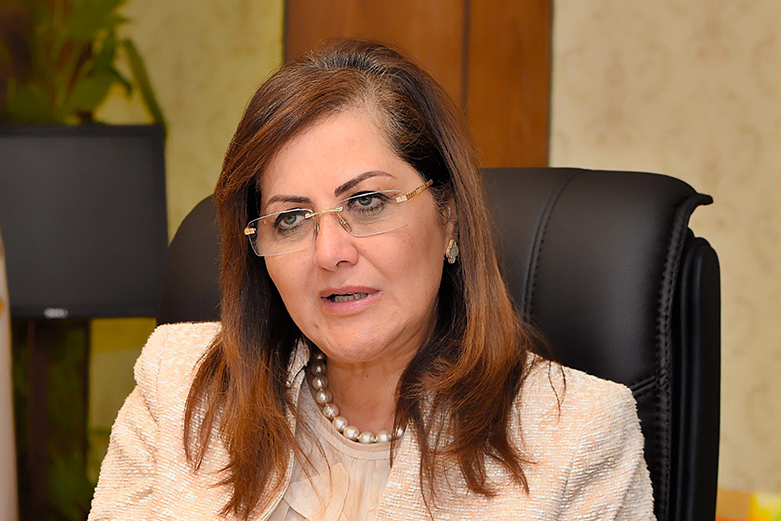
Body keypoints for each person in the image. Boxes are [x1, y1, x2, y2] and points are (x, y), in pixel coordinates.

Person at [89, 39, 653, 520]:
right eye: (291, 219)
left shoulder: (577, 434)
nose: (330, 253)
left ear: (450, 216)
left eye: (367, 202)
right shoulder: (178, 383)